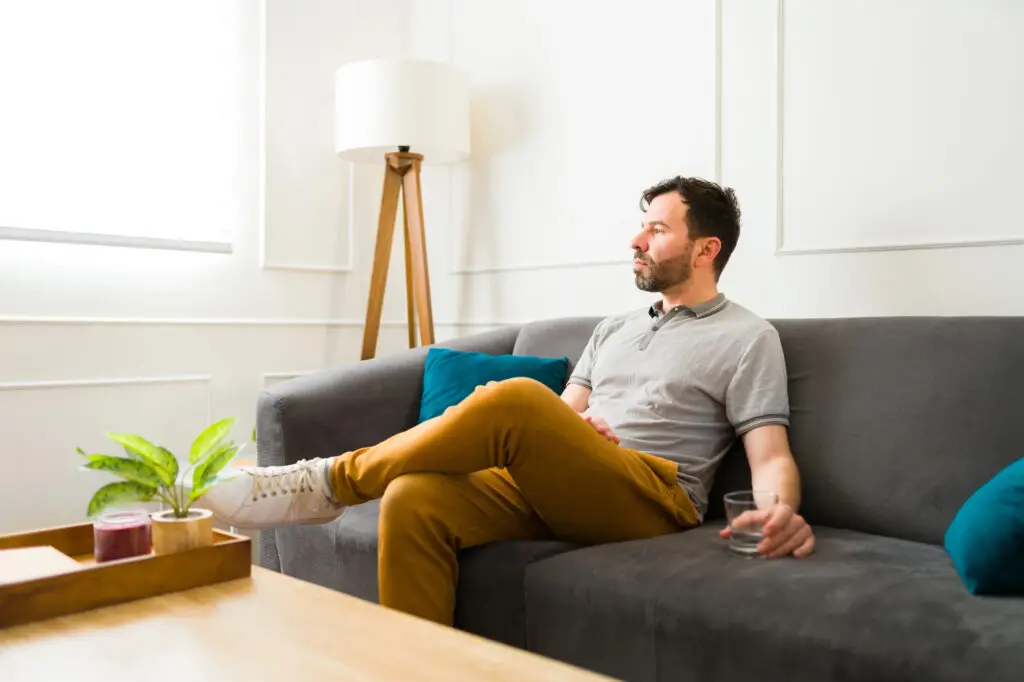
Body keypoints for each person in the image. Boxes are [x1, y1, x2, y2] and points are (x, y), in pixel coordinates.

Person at [202, 176, 816, 626]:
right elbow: (567, 414)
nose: (636, 240)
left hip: (655, 496)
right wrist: (575, 433)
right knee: (414, 499)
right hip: (568, 480)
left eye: (657, 230)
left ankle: (327, 481)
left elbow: (769, 456)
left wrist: (780, 511)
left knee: (518, 397)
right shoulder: (615, 328)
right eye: (642, 226)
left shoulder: (747, 337)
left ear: (706, 249)